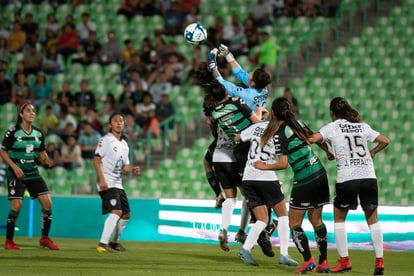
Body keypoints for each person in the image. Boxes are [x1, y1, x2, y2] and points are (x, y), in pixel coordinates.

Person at [309, 97, 389, 275]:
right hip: (369, 176)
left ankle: (344, 260)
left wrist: (324, 148)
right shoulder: (362, 126)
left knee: (339, 219)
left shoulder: (332, 127)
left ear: (332, 113)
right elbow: (385, 140)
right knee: (373, 219)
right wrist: (373, 152)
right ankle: (380, 262)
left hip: (347, 178)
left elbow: (314, 138)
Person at [254, 97, 333, 273]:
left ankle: (308, 260)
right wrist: (328, 151)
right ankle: (324, 263)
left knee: (294, 222)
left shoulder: (279, 133)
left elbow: (282, 164)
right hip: (320, 173)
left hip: (304, 179)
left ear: (273, 112)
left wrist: (263, 166)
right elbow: (316, 138)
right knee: (316, 220)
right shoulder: (298, 123)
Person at [209, 79, 267, 252]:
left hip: (219, 159)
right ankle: (242, 231)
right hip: (238, 153)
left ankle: (223, 229)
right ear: (227, 92)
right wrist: (260, 109)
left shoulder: (214, 114)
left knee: (230, 198)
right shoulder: (235, 102)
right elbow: (256, 121)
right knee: (248, 195)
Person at [235, 111, 298, 267]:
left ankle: (245, 249)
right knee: (283, 216)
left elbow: (238, 138)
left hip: (248, 177)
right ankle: (284, 254)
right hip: (265, 176)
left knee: (262, 219)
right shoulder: (280, 131)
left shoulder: (257, 126)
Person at [0, 102, 59, 250]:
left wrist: (46, 159)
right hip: (16, 174)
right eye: (28, 110)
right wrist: (14, 167)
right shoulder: (12, 132)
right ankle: (9, 241)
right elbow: (3, 151)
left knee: (48, 204)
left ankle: (45, 238)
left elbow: (40, 152)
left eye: (33, 111)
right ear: (21, 114)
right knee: (17, 206)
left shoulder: (38, 133)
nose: (32, 113)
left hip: (33, 173)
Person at [94, 112, 141, 253]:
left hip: (117, 182)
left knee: (126, 214)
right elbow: (96, 160)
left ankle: (113, 243)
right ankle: (102, 244)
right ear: (110, 125)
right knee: (116, 211)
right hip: (107, 181)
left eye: (121, 120)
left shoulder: (125, 144)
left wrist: (131, 169)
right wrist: (102, 180)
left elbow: (123, 166)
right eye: (115, 121)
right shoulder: (106, 140)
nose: (119, 123)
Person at [209, 45, 270, 111]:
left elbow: (222, 82)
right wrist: (228, 55)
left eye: (251, 74)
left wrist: (213, 66)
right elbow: (240, 73)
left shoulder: (245, 95)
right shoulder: (263, 87)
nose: (249, 73)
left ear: (253, 83)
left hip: (252, 121)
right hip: (262, 120)